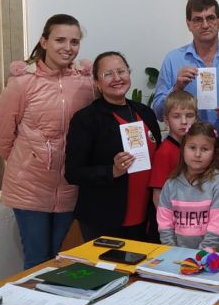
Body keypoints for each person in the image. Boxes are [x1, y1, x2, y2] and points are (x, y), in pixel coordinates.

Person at [0, 14, 95, 269]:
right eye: (60, 39)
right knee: (37, 259)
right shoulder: (22, 83)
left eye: (74, 42)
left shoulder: (86, 83)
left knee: (60, 257)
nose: (68, 47)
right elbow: (1, 136)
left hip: (69, 187)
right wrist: (29, 161)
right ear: (44, 41)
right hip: (29, 187)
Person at [65, 52, 161, 241]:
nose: (117, 78)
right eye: (108, 74)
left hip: (146, 217)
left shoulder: (146, 113)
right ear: (96, 82)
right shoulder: (86, 119)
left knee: (141, 271)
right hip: (104, 218)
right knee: (109, 272)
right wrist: (112, 170)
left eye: (121, 71)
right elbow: (73, 173)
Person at [152, 0, 219, 144]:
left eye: (211, 18)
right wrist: (177, 88)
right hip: (188, 152)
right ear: (188, 24)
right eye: (198, 19)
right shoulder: (172, 59)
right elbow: (158, 112)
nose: (205, 25)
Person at [157, 122, 219, 250]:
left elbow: (217, 226)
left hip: (206, 258)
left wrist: (201, 255)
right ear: (183, 149)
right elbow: (164, 223)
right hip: (174, 255)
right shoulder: (171, 184)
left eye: (205, 149)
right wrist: (171, 250)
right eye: (192, 147)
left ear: (214, 153)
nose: (197, 154)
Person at [150, 91, 198, 207]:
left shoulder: (195, 147)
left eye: (189, 115)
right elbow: (157, 196)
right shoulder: (165, 152)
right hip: (173, 218)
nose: (184, 122)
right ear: (166, 120)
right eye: (176, 116)